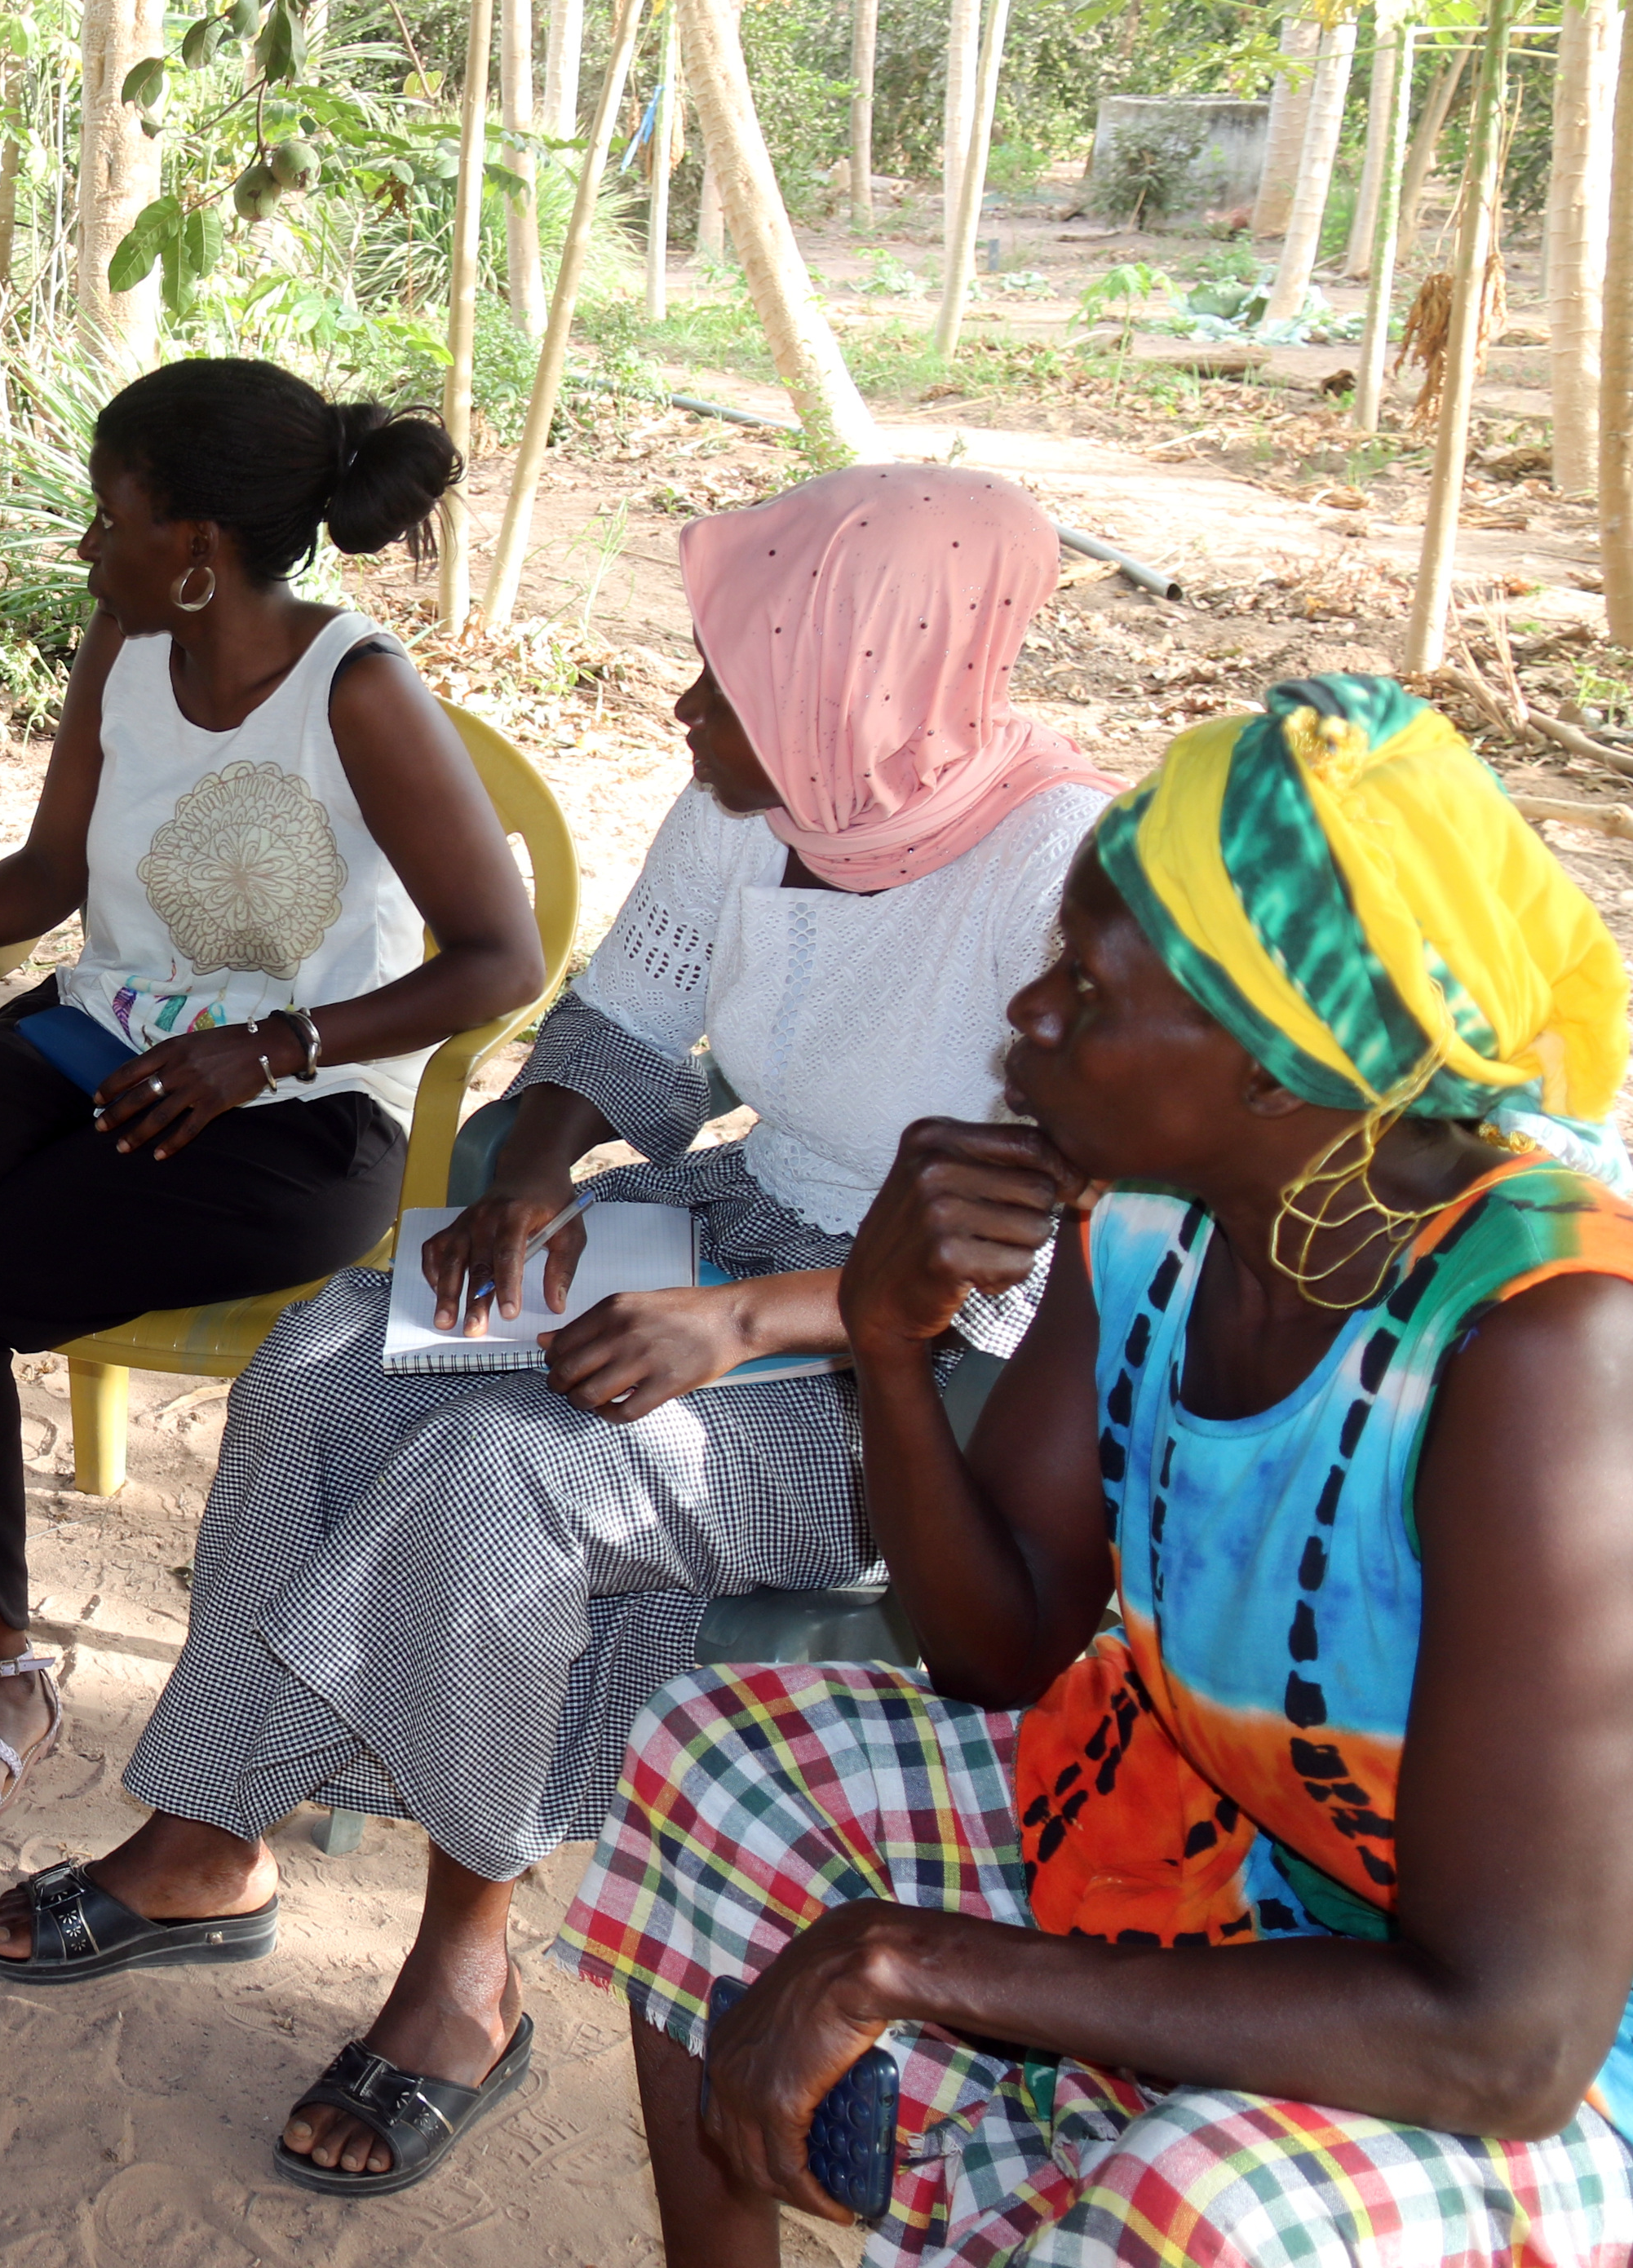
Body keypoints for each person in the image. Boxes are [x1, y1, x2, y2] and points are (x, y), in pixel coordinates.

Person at [0, 467, 1117, 2199]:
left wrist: (744, 1318)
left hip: (912, 1369)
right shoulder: (760, 790)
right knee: (329, 1359)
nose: (688, 708)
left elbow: (1029, 1274)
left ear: (857, 687)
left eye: (727, 681)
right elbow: (628, 1024)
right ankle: (212, 1831)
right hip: (724, 1227)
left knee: (511, 1473)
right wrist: (545, 1166)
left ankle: (466, 1962)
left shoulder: (1061, 875)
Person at [568, 675, 1633, 2266]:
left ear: (1280, 1067)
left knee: (1202, 2199)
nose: (1031, 1016)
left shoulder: (1538, 1352)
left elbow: (1509, 2038)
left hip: (1539, 2054)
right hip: (1220, 1839)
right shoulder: (1149, 1216)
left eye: (1087, 986)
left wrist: (910, 1958)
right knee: (720, 1768)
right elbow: (992, 1649)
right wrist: (886, 1338)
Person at [0, 360, 548, 1834]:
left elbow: (499, 958)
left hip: (306, 1111)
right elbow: (57, 869)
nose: (90, 548)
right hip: (111, 1036)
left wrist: (269, 1049)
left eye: (112, 518)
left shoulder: (360, 691)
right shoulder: (124, 647)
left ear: (197, 552)